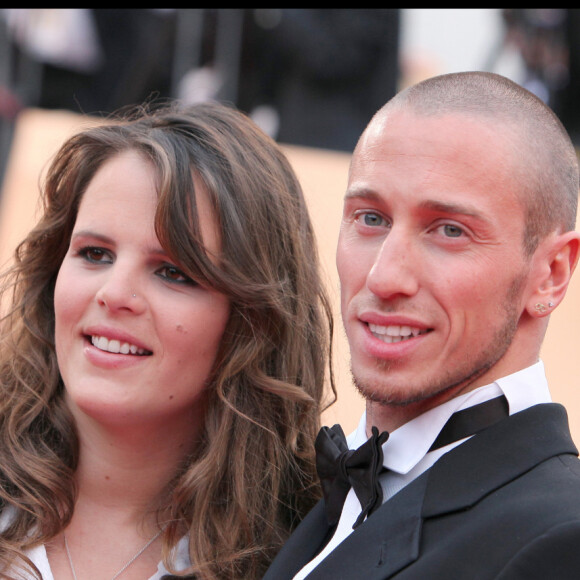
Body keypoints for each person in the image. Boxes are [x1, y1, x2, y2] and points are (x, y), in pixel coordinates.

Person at [263, 70, 580, 579]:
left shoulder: (561, 540)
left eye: (450, 231)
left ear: (550, 274)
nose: (384, 276)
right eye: (371, 218)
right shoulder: (301, 503)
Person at [0, 100, 334, 579]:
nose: (115, 294)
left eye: (173, 272)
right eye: (94, 253)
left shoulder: (312, 553)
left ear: (252, 321)